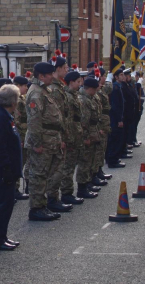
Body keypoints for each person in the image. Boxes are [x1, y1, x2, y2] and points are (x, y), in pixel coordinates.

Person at [26, 62, 65, 221]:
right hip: (43, 141)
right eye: (49, 74)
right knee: (38, 174)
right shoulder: (36, 93)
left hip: (51, 139)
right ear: (41, 76)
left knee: (47, 173)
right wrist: (37, 144)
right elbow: (34, 121)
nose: (52, 76)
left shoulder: (44, 90)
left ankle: (43, 205)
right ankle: (36, 208)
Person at [0, 84, 22, 251]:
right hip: (3, 169)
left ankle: (2, 236)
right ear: (13, 102)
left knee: (7, 205)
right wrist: (6, 168)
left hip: (8, 168)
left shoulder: (4, 115)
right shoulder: (0, 118)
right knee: (3, 205)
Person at [45, 56, 73, 213]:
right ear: (58, 68)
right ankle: (52, 198)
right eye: (65, 67)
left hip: (61, 133)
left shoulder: (58, 87)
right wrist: (61, 137)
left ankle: (53, 197)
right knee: (55, 169)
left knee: (58, 168)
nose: (67, 70)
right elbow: (56, 116)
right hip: (55, 135)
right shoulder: (54, 90)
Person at [59, 71, 85, 204]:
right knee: (68, 166)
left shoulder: (74, 95)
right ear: (71, 82)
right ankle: (66, 192)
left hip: (75, 134)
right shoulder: (68, 97)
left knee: (71, 164)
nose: (80, 84)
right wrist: (66, 138)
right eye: (78, 81)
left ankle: (68, 191)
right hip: (70, 136)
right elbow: (67, 119)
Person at [76, 77, 102, 198]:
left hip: (92, 133)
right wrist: (86, 137)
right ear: (90, 89)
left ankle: (87, 184)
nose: (96, 92)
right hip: (87, 135)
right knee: (84, 161)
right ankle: (82, 188)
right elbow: (84, 121)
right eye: (95, 89)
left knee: (90, 160)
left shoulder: (89, 98)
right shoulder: (84, 100)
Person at [12, 74, 30, 200]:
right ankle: (15, 188)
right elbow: (17, 121)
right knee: (18, 163)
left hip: (24, 135)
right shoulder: (17, 101)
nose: (26, 88)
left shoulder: (21, 98)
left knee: (23, 162)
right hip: (21, 136)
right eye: (24, 86)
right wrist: (20, 138)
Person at [106, 68, 126, 168]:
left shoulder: (119, 87)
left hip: (119, 117)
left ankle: (115, 158)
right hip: (115, 119)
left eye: (123, 74)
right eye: (121, 75)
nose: (123, 76)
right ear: (116, 77)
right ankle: (113, 160)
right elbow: (115, 105)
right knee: (115, 139)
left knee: (119, 139)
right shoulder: (115, 88)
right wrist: (119, 119)